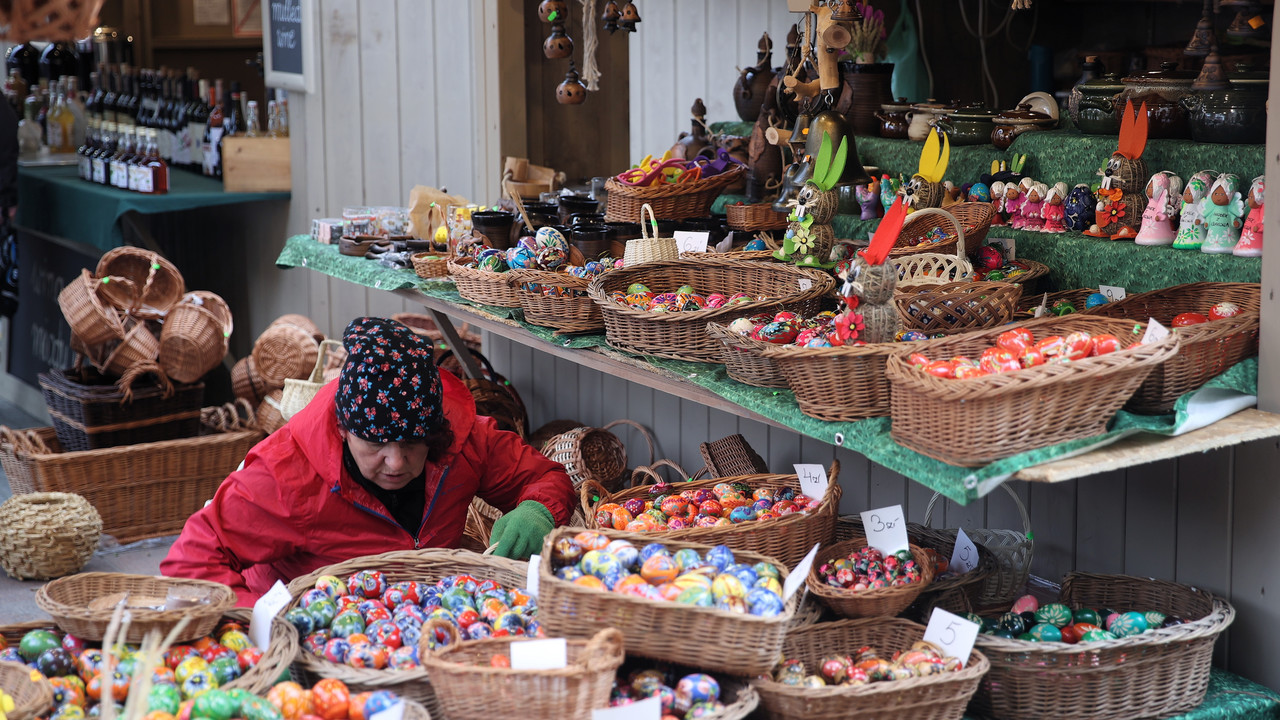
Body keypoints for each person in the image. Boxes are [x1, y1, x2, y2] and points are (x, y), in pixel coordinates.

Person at [161, 316, 576, 605]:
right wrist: (267, 621)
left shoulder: (464, 439)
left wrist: (537, 511)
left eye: (414, 442)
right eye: (375, 444)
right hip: (321, 632)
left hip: (428, 617)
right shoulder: (288, 473)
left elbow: (544, 477)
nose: (396, 462)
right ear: (342, 428)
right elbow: (191, 560)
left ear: (436, 430)